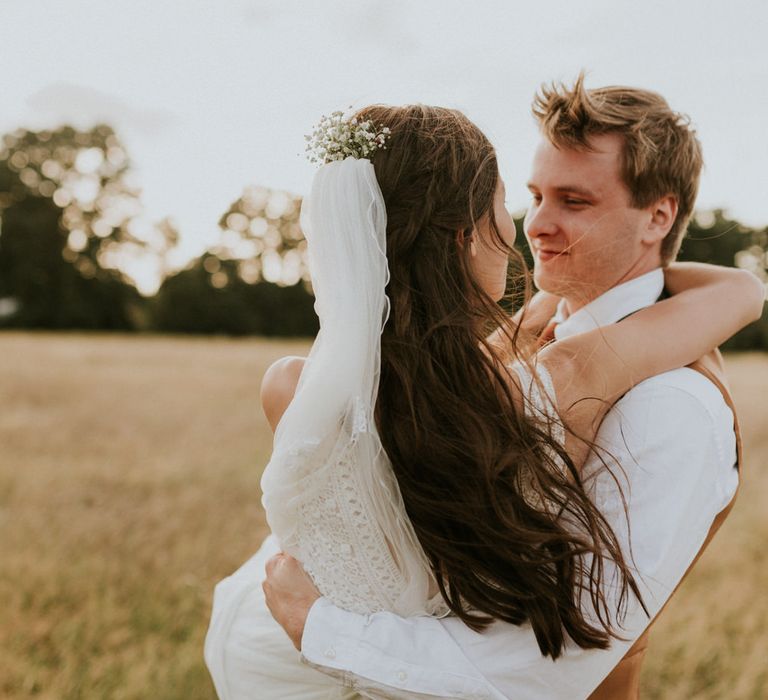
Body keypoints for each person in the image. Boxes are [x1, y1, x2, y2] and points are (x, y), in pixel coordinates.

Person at [206, 98, 764, 700]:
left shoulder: (668, 403)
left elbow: (565, 652)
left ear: (658, 217)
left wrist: (319, 625)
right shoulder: (502, 360)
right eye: (531, 195)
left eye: (574, 201)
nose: (534, 224)